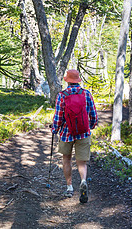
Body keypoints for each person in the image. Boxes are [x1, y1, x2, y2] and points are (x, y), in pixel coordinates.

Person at [51, 69, 98, 203]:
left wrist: (55, 128)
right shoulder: (86, 94)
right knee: (81, 162)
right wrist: (92, 125)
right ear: (78, 80)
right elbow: (93, 114)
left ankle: (69, 187)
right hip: (83, 132)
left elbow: (58, 116)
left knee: (66, 159)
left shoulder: (62, 95)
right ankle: (83, 181)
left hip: (66, 133)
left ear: (67, 81)